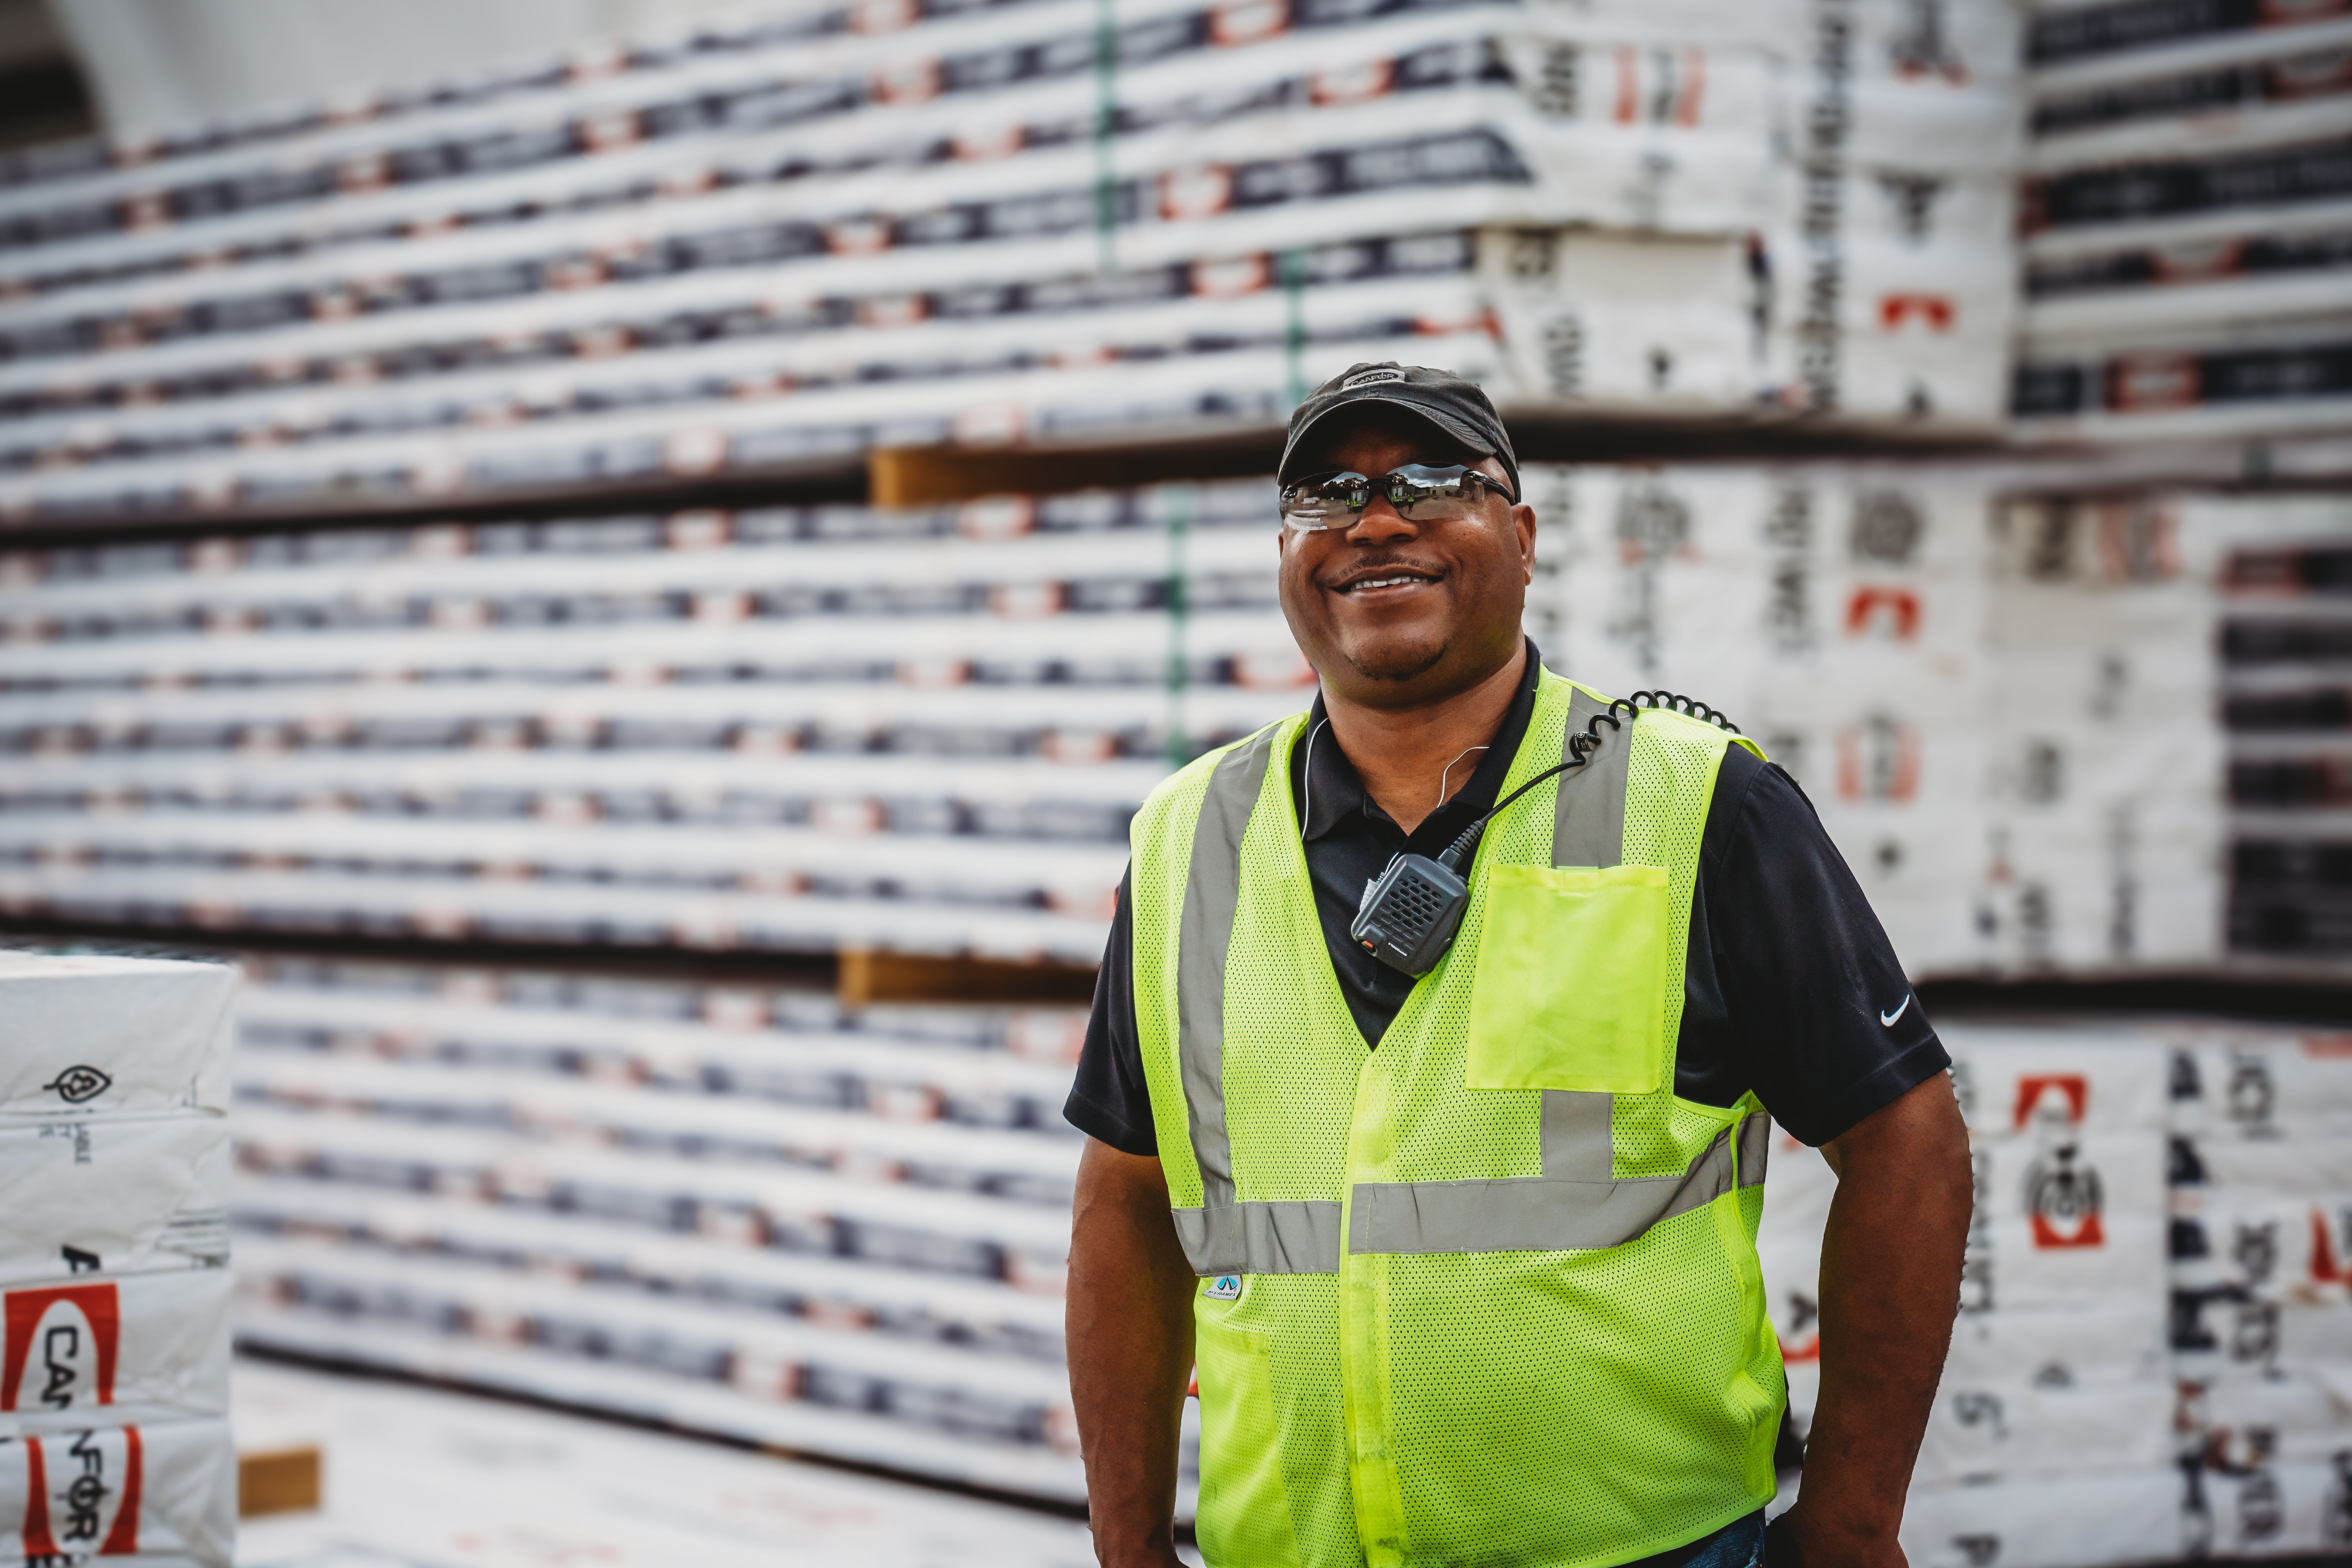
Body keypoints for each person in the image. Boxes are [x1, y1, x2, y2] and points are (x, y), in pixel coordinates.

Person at [1063, 362, 1974, 1568]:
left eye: (1432, 483)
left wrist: (1855, 1520)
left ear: (1526, 536)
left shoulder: (1701, 803)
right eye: (1325, 496)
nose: (1375, 521)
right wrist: (1126, 1546)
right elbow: (1126, 1198)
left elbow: (1906, 1137)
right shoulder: (1189, 839)